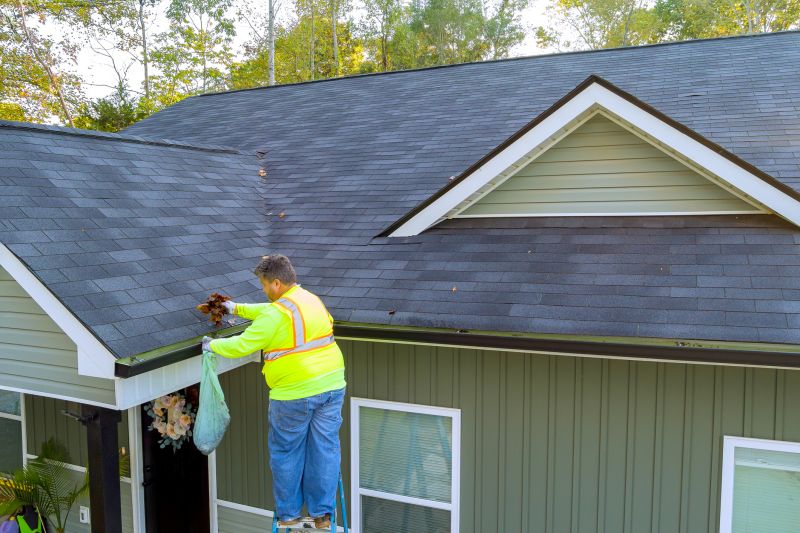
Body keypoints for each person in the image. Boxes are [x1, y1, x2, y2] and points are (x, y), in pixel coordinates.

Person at [202, 254, 346, 528]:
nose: (264, 290)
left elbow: (241, 346)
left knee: (287, 452)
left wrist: (212, 346)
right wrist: (235, 308)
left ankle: (290, 515)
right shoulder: (310, 299)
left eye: (265, 285)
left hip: (294, 394)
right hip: (332, 386)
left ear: (276, 283)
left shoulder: (275, 314)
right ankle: (322, 515)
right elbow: (272, 312)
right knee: (324, 449)